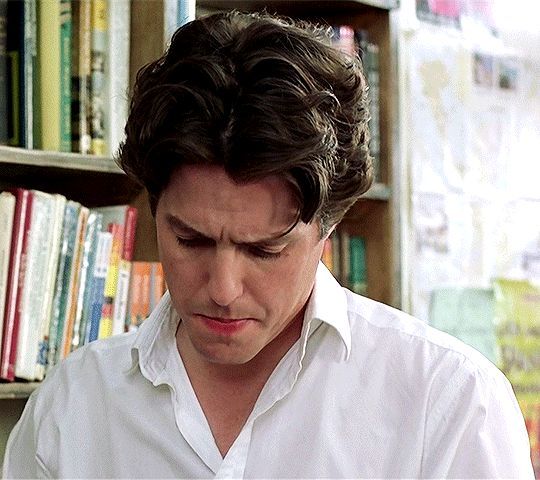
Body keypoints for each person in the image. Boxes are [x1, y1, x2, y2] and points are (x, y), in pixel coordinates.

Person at [3, 11, 534, 479]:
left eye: (264, 250)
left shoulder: (448, 401)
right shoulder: (74, 403)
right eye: (191, 240)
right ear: (153, 209)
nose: (223, 289)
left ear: (328, 227)